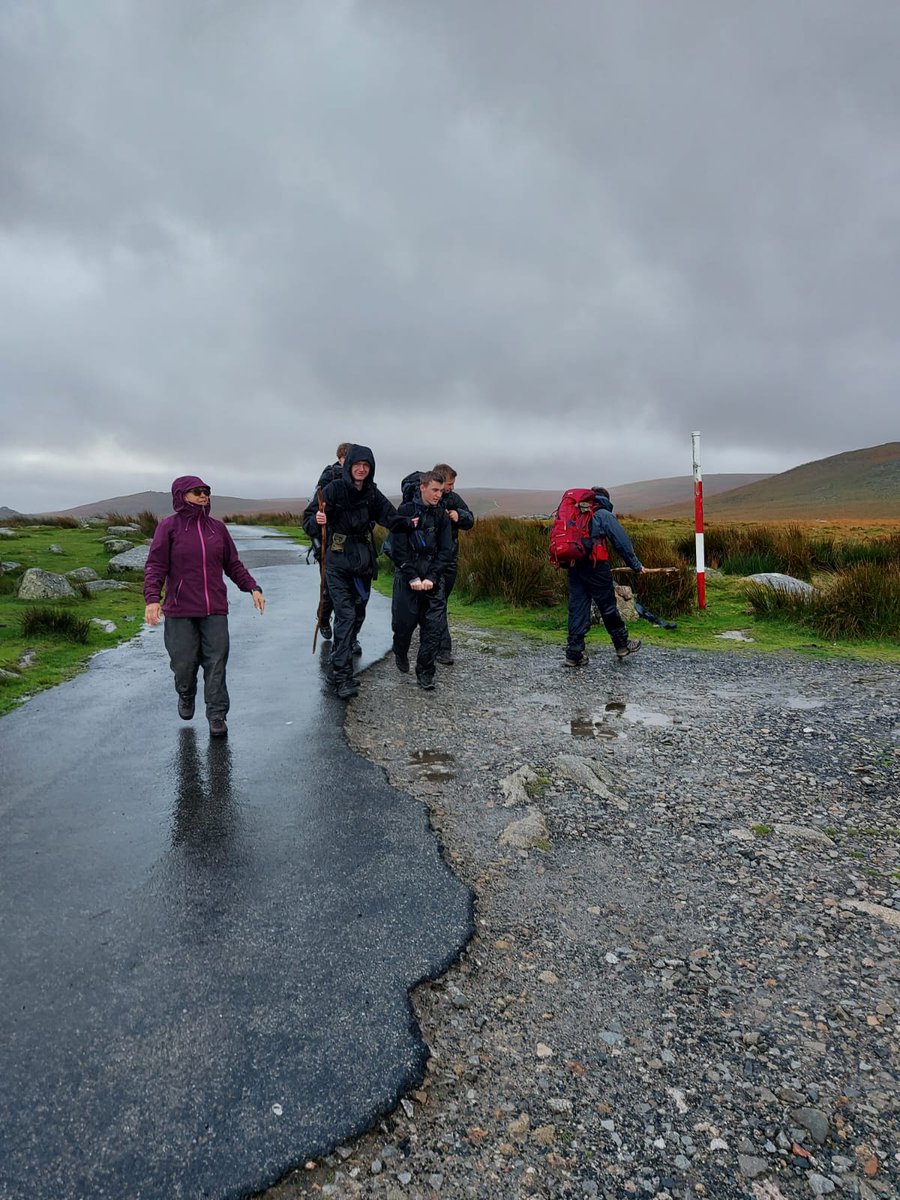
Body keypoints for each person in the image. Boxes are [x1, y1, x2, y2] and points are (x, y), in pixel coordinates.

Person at [144, 476, 265, 737]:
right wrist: (153, 599)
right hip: (180, 609)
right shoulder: (169, 528)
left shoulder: (217, 529)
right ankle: (186, 693)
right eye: (197, 492)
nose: (203, 496)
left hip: (215, 609)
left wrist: (253, 588)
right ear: (181, 496)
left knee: (216, 662)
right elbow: (155, 566)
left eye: (206, 492)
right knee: (184, 662)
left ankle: (217, 715)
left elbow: (233, 565)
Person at [308, 445, 410, 700]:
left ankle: (338, 661)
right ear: (348, 465)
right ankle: (342, 676)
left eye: (367, 465)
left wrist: (412, 525)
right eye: (357, 464)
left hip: (363, 561)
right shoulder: (332, 489)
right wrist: (316, 521)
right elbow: (309, 519)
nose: (362, 469)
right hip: (337, 560)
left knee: (358, 613)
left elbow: (390, 517)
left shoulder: (372, 493)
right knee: (345, 613)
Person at [564, 487, 642, 667]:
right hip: (596, 568)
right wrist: (636, 566)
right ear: (605, 499)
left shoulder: (575, 511)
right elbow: (621, 542)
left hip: (575, 566)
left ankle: (574, 654)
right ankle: (622, 645)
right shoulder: (603, 514)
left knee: (577, 608)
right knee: (607, 607)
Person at [390, 471, 454, 691]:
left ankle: (425, 673)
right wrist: (412, 576)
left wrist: (432, 577)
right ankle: (400, 650)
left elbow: (446, 551)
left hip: (432, 580)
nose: (438, 495)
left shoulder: (442, 516)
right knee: (403, 625)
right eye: (435, 490)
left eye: (441, 490)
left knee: (433, 628)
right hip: (407, 576)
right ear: (422, 487)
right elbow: (398, 549)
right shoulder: (405, 512)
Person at [302, 442, 352, 641]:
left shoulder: (361, 481)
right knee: (330, 588)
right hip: (330, 544)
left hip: (353, 546)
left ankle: (350, 637)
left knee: (352, 592)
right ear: (340, 458)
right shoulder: (328, 480)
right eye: (347, 459)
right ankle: (323, 618)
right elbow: (311, 514)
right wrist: (318, 520)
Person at [431, 463, 474, 665]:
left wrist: (459, 516)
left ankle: (433, 639)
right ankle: (443, 649)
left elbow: (470, 518)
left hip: (451, 558)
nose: (452, 487)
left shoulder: (453, 499)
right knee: (437, 602)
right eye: (450, 483)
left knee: (440, 602)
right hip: (431, 560)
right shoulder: (428, 497)